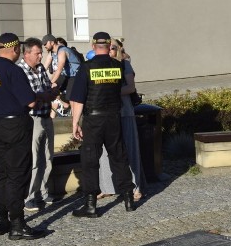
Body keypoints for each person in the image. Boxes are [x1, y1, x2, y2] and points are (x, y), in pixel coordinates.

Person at [0, 33, 44, 240]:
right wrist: (44, 96)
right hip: (15, 124)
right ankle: (17, 222)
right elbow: (30, 102)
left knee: (3, 173)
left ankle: (1, 220)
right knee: (18, 174)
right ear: (15, 49)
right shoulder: (13, 71)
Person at [68, 31, 137, 217]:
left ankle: (90, 204)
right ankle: (129, 198)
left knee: (90, 160)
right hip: (114, 117)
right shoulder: (117, 66)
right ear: (108, 46)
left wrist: (75, 123)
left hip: (94, 119)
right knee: (119, 157)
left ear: (93, 46)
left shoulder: (86, 67)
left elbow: (79, 98)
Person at [96, 40, 146, 201]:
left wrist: (111, 91)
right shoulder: (101, 66)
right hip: (106, 114)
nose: (110, 51)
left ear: (118, 50)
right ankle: (107, 186)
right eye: (108, 48)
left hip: (124, 112)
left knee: (130, 150)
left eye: (113, 48)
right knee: (104, 151)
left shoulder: (124, 65)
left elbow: (130, 87)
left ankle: (135, 187)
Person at [17, 37, 59, 212]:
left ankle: (43, 191)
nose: (41, 56)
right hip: (32, 119)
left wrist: (49, 94)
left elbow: (47, 88)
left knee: (47, 157)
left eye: (41, 52)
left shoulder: (40, 68)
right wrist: (45, 95)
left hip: (46, 116)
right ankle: (30, 197)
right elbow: (30, 97)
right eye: (37, 53)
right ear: (27, 54)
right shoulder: (20, 71)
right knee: (34, 159)